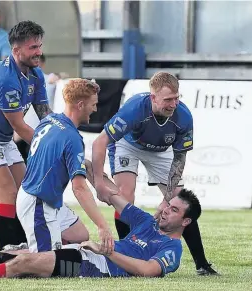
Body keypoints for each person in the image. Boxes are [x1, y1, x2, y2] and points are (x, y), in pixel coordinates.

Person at [0, 20, 84, 251]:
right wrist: (54, 150)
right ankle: (9, 254)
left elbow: (46, 117)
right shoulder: (6, 78)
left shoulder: (35, 75)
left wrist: (65, 135)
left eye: (40, 46)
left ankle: (24, 250)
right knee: (8, 194)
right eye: (33, 48)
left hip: (1, 137)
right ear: (16, 51)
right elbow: (20, 127)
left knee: (28, 191)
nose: (39, 52)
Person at [0, 179, 202, 279]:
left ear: (186, 222)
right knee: (10, 255)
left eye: (173, 210)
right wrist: (91, 170)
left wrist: (108, 252)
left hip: (99, 267)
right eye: (167, 205)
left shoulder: (172, 249)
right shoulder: (147, 221)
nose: (164, 211)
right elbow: (111, 195)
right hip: (90, 254)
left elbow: (148, 271)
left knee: (25, 261)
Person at [91, 71, 218, 275]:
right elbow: (100, 142)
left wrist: (167, 199)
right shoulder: (134, 109)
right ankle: (129, 252)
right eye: (168, 99)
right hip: (129, 145)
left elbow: (179, 158)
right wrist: (98, 181)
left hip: (160, 151)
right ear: (153, 98)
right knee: (124, 194)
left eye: (176, 98)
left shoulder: (183, 116)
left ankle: (202, 265)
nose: (173, 104)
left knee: (180, 199)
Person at [16, 78, 113, 253]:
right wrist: (102, 225)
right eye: (93, 104)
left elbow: (52, 154)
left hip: (39, 196)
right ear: (81, 105)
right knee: (47, 265)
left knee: (79, 235)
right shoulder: (72, 138)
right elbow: (79, 189)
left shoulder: (50, 120)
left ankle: (33, 246)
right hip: (38, 203)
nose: (95, 109)